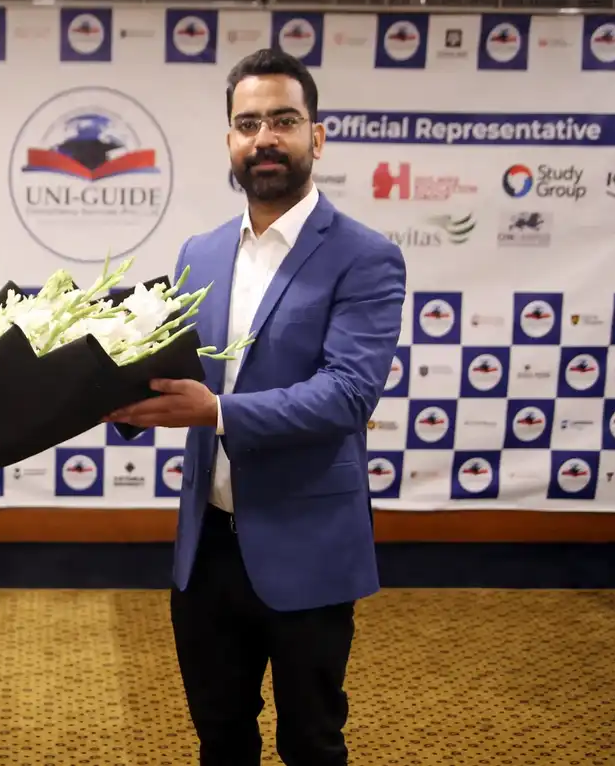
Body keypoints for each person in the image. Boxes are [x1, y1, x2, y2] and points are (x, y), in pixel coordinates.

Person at [107, 48, 406, 765]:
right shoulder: (200, 253)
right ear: (230, 141)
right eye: (248, 124)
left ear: (316, 136)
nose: (265, 138)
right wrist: (113, 397)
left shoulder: (365, 257)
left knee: (311, 744)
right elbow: (171, 371)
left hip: (309, 544)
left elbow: (347, 393)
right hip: (207, 547)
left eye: (283, 121)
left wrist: (217, 411)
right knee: (220, 739)